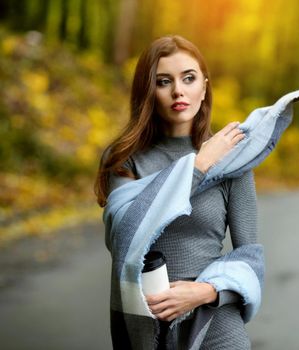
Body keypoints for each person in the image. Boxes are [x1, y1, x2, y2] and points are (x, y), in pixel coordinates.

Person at [95, 35, 257, 349]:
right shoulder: (124, 159)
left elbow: (250, 258)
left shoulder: (233, 159)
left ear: (204, 86)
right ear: (148, 91)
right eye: (164, 81)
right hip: (146, 323)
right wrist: (198, 166)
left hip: (215, 321)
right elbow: (125, 235)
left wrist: (207, 291)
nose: (178, 91)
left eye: (189, 78)